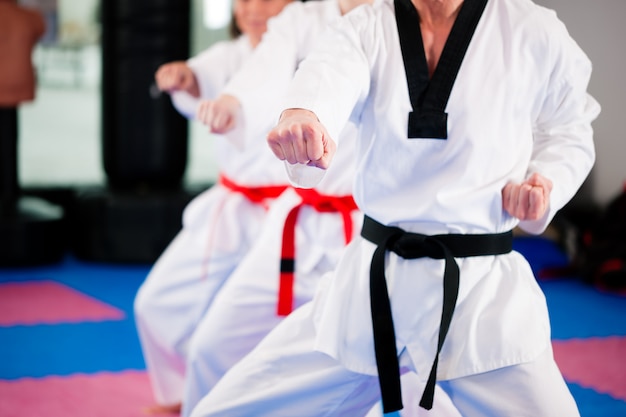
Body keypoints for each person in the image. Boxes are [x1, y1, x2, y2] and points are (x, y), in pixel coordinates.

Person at [188, 0, 600, 416]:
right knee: (226, 409)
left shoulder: (532, 28)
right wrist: (306, 120)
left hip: (481, 296)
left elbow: (569, 127)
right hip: (369, 285)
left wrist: (545, 179)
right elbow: (324, 79)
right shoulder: (366, 26)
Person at [189, 0, 461, 416]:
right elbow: (265, 71)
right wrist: (232, 103)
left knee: (406, 377)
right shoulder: (303, 20)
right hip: (296, 224)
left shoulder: (408, 21)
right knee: (213, 344)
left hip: (369, 236)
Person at [133, 0, 293, 414]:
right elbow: (198, 77)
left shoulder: (315, 49)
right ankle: (175, 397)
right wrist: (183, 78)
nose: (252, 9)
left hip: (294, 218)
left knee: (258, 333)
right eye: (243, 0)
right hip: (232, 208)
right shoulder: (230, 56)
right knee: (155, 303)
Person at [0, 0, 45, 213]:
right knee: (9, 141)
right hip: (16, 86)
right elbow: (41, 29)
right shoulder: (27, 17)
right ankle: (10, 191)